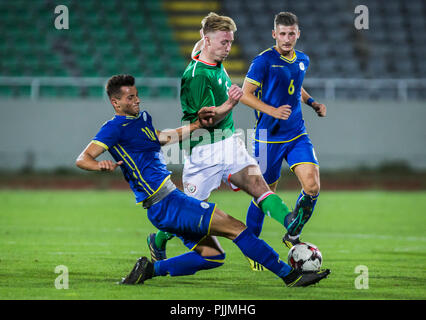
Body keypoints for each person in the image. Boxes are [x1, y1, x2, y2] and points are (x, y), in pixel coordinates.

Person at [75, 74, 330, 287]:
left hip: (168, 201)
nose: (137, 99)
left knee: (212, 256)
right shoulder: (113, 128)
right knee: (237, 228)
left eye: (136, 94)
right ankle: (290, 276)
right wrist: (100, 165)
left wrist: (197, 124)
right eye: (130, 97)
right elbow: (83, 158)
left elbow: (163, 138)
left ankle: (149, 269)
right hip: (164, 203)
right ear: (115, 102)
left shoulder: (141, 120)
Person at [147, 12, 300, 272]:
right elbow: (205, 120)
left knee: (257, 184)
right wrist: (230, 103)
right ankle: (159, 238)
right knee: (188, 214)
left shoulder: (207, 51)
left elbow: (201, 38)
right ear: (207, 41)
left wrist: (209, 23)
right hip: (204, 151)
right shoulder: (196, 76)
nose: (228, 48)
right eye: (223, 42)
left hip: (229, 143)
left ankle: (291, 222)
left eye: (230, 42)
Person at [240, 12, 327, 249]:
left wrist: (312, 103)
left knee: (312, 186)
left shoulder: (303, 60)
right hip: (268, 138)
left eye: (291, 34)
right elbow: (244, 95)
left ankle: (292, 236)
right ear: (274, 34)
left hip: (297, 134)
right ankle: (252, 247)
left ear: (298, 34)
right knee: (263, 194)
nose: (287, 39)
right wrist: (272, 110)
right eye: (282, 34)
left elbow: (296, 87)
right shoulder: (263, 61)